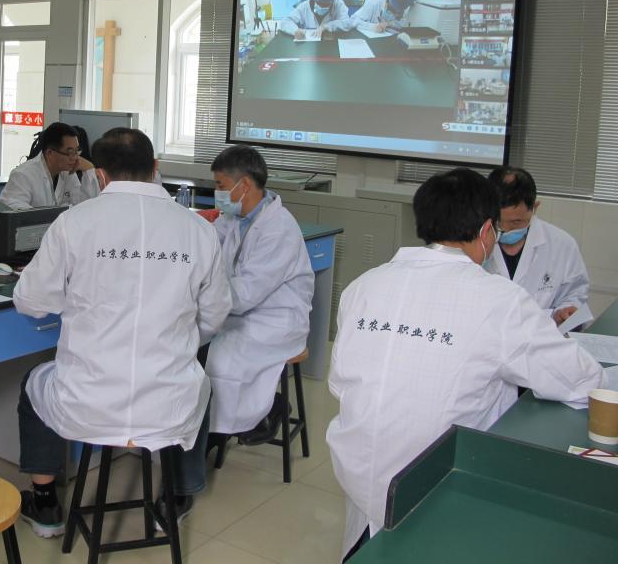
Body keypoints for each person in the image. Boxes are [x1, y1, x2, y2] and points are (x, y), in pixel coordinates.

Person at [326, 168, 602, 561]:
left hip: (357, 474)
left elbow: (340, 385)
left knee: (373, 545)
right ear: (487, 230)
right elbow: (579, 379)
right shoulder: (500, 299)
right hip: (439, 482)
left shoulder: (364, 285)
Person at [12, 128, 232, 538]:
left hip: (87, 402)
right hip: (167, 402)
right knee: (199, 383)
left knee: (33, 383)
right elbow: (216, 314)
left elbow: (30, 301)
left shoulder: (74, 223)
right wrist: (178, 338)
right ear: (155, 167)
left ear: (100, 175)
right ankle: (177, 495)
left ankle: (44, 504)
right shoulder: (198, 230)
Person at [167, 145, 314, 526]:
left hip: (273, 320)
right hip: (235, 312)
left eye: (220, 185)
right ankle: (222, 430)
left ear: (244, 185)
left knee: (211, 364)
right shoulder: (235, 217)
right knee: (191, 352)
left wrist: (198, 293)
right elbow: (208, 253)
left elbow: (246, 293)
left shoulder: (278, 229)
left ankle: (251, 420)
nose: (216, 192)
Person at [487, 167, 590, 327]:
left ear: (535, 207)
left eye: (516, 222)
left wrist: (562, 313)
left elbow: (575, 294)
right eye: (498, 222)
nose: (505, 229)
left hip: (541, 336)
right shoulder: (475, 242)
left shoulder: (561, 244)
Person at [0, 122, 99, 209]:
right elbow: (13, 209)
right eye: (70, 152)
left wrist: (89, 169)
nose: (75, 157)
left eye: (77, 151)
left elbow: (83, 206)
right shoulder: (23, 175)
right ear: (50, 153)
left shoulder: (68, 172)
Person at [279, 0, 350, 38]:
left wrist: (327, 26)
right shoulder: (305, 6)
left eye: (326, 4)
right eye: (319, 3)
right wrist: (295, 31)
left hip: (331, 43)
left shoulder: (338, 4)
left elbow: (347, 23)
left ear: (332, 0)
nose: (322, 7)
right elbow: (285, 22)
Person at [350, 0, 416, 33]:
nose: (397, 14)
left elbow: (401, 22)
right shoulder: (373, 4)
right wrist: (373, 27)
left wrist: (387, 24)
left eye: (401, 10)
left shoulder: (403, 6)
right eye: (395, 11)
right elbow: (353, 21)